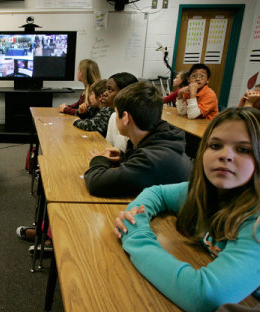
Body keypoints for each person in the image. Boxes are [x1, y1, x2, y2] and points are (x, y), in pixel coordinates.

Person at [114, 107, 260, 312]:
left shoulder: (256, 223)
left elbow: (205, 295)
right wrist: (137, 214)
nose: (226, 155)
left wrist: (135, 235)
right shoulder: (206, 191)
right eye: (216, 145)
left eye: (243, 149)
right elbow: (157, 193)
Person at [85, 81, 192, 197]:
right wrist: (124, 157)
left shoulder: (151, 159)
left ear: (125, 117)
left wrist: (98, 160)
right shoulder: (162, 139)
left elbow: (96, 184)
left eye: (116, 113)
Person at [104, 72, 139, 152]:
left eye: (110, 90)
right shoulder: (113, 116)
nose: (105, 93)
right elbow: (109, 146)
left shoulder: (137, 123)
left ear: (125, 93)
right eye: (105, 89)